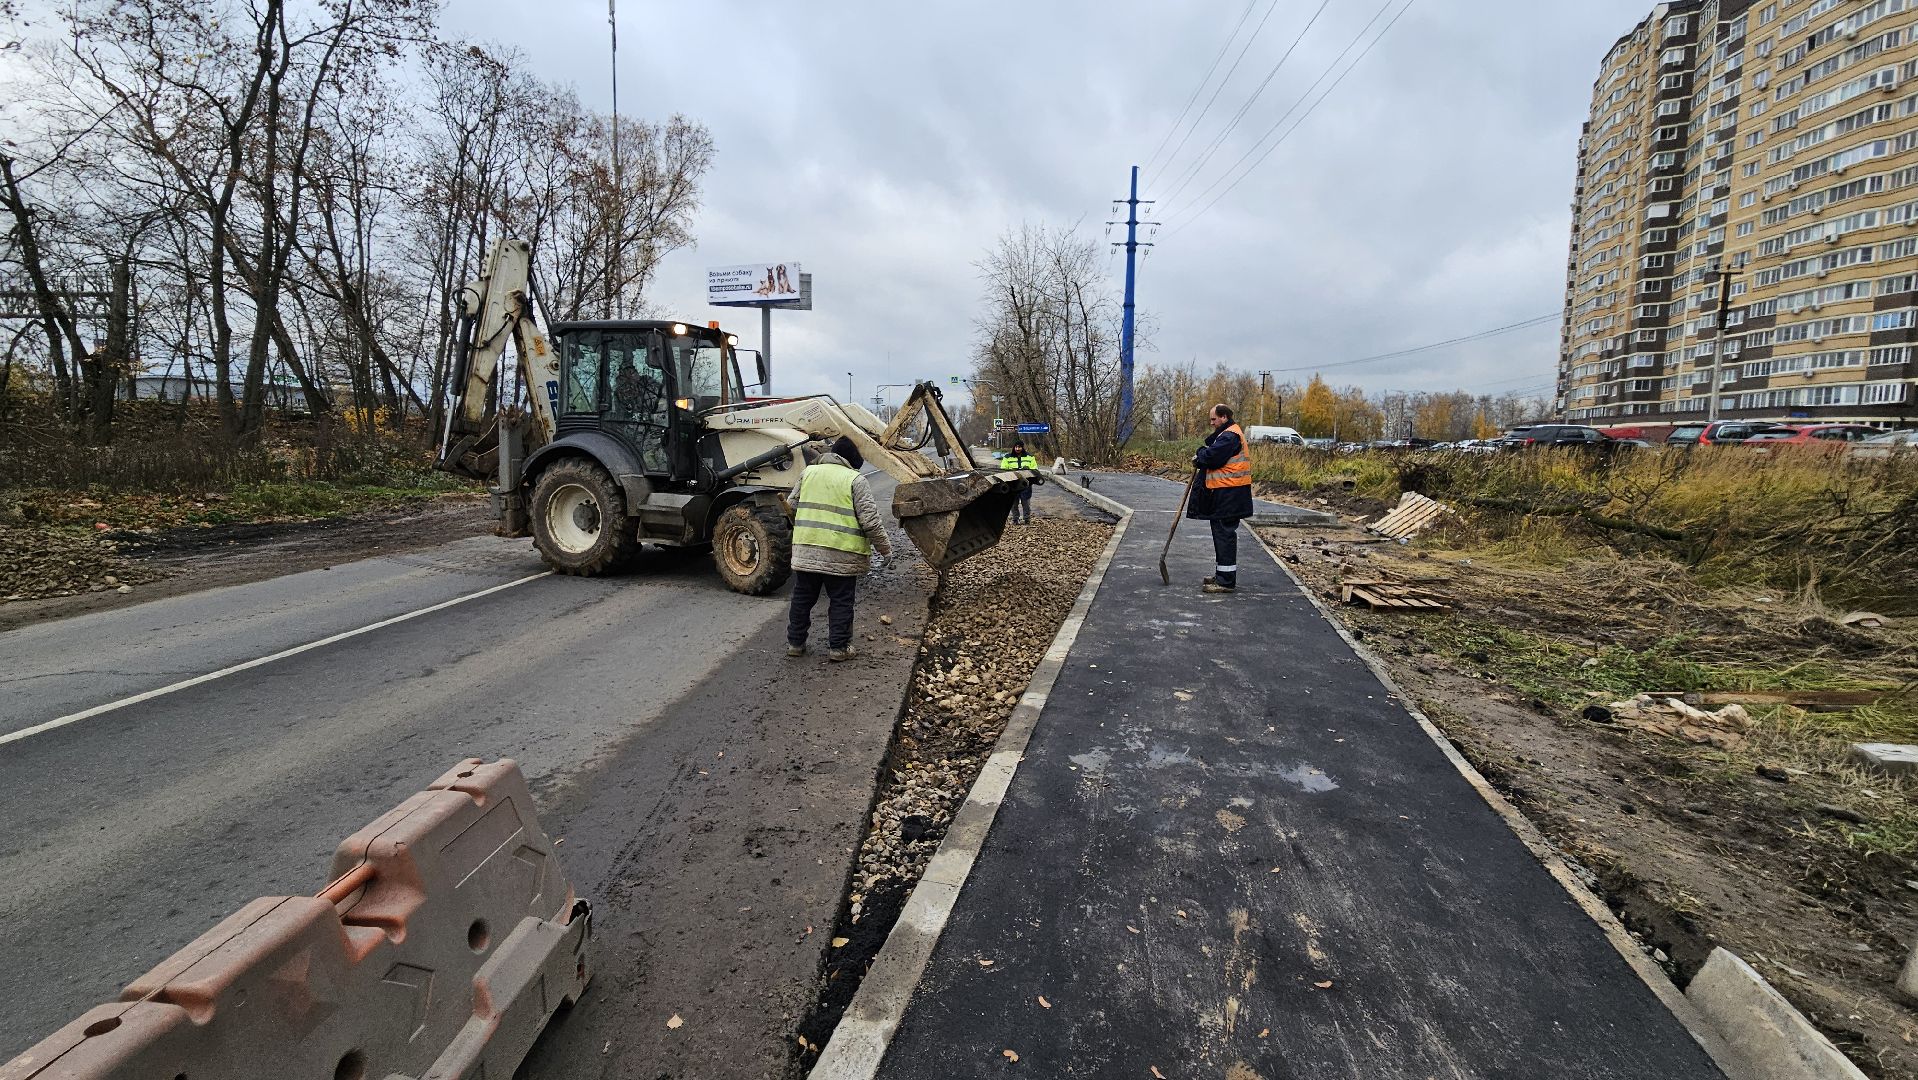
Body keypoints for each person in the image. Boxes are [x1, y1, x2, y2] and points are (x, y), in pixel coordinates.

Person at [787, 436, 894, 661]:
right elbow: (870, 522)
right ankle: (838, 648)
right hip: (841, 555)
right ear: (850, 461)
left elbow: (792, 506)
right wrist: (885, 549)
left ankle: (795, 644)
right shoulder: (855, 480)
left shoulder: (808, 474)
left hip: (807, 551)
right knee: (841, 600)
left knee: (802, 598)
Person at [1188, 403, 1253, 593]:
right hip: (1226, 495)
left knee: (1224, 535)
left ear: (1224, 417)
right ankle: (1222, 575)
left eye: (1214, 419)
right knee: (1221, 535)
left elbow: (1212, 457)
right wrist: (1202, 455)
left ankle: (1225, 581)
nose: (1212, 423)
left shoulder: (1230, 436)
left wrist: (1200, 454)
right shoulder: (1226, 435)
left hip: (1229, 496)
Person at [1000, 441, 1039, 524]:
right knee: (1013, 504)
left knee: (1026, 503)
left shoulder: (1030, 457)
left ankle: (1027, 519)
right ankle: (1015, 519)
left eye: (1019, 447)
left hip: (1026, 484)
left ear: (1022, 447)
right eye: (1016, 447)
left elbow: (1034, 469)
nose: (1017, 449)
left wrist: (1027, 470)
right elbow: (1003, 468)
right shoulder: (1007, 457)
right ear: (1014, 447)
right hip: (1012, 484)